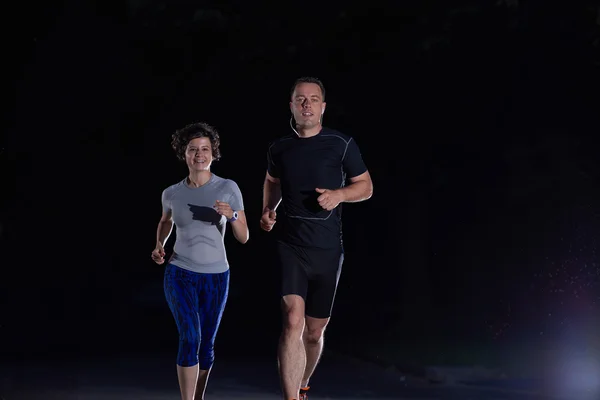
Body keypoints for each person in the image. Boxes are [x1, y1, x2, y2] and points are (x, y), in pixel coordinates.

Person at [261, 77, 373, 400]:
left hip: (327, 248)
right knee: (292, 320)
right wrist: (268, 209)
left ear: (323, 107)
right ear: (292, 106)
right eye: (300, 99)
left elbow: (365, 186)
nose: (306, 104)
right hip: (290, 244)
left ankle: (303, 384)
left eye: (313, 99)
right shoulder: (278, 147)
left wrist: (338, 195)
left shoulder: (341, 144)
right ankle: (291, 398)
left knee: (313, 331)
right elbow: (272, 181)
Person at [151, 122, 249, 400]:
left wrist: (231, 216)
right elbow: (165, 221)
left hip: (217, 276)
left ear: (213, 153)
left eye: (205, 149)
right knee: (189, 338)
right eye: (193, 149)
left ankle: (198, 397)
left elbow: (243, 237)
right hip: (180, 272)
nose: (199, 154)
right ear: (184, 153)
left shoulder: (228, 187)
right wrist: (159, 245)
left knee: (206, 345)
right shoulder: (171, 193)